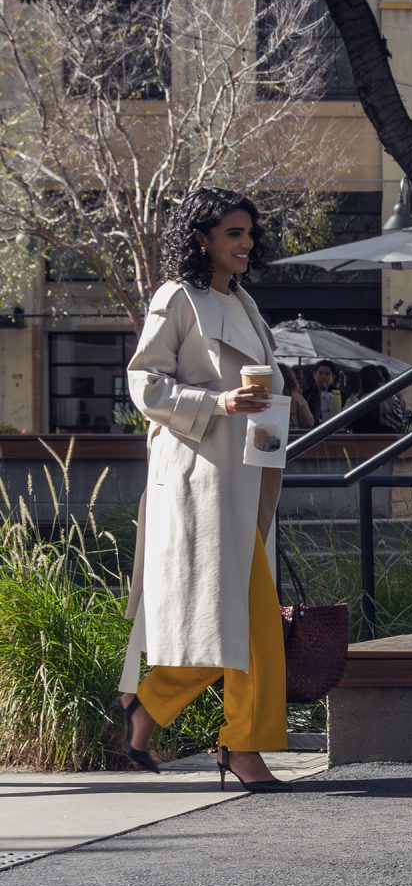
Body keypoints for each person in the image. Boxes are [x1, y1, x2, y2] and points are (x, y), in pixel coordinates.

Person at [112, 186, 292, 789]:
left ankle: (152, 707)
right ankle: (240, 746)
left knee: (242, 617)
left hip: (247, 473)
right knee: (250, 620)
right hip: (200, 481)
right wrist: (218, 401)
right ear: (202, 240)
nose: (247, 243)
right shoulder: (177, 298)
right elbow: (145, 384)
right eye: (233, 234)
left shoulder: (242, 301)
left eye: (249, 233)